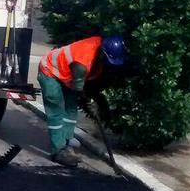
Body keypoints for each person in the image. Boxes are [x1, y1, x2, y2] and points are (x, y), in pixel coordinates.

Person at [37, 35, 125, 166]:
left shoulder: (99, 47)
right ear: (102, 52)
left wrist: (95, 101)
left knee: (71, 108)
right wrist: (90, 104)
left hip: (66, 76)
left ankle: (66, 140)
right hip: (49, 70)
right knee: (56, 110)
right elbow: (79, 88)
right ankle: (58, 150)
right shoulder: (83, 62)